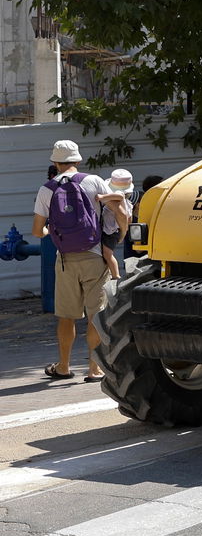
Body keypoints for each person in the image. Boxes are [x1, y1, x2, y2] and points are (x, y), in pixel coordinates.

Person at [32, 140, 117, 381]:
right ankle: (94, 369)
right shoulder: (95, 181)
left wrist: (51, 232)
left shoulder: (47, 189)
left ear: (55, 163)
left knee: (66, 316)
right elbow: (112, 214)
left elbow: (38, 231)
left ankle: (64, 367)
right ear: (78, 160)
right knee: (95, 315)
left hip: (66, 260)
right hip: (95, 257)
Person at [99, 168, 135, 278]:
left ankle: (116, 275)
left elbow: (120, 196)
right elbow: (129, 220)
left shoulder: (118, 197)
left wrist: (102, 197)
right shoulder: (128, 203)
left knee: (107, 254)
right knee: (107, 254)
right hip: (113, 230)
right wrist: (124, 231)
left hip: (110, 231)